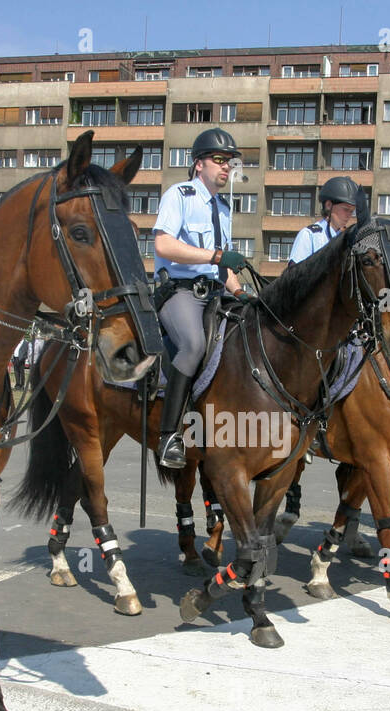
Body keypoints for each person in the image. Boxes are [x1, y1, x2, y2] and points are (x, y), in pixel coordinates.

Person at [151, 127, 250, 468]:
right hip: (179, 292)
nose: (226, 167)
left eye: (230, 162)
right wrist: (215, 258)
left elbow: (226, 268)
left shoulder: (224, 208)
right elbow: (163, 245)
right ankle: (169, 437)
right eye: (219, 160)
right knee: (193, 344)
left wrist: (241, 293)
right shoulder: (179, 195)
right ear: (198, 164)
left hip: (216, 295)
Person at [288, 176, 357, 264]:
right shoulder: (309, 236)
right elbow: (294, 274)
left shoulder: (348, 240)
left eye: (352, 211)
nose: (349, 215)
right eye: (346, 209)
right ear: (329, 205)